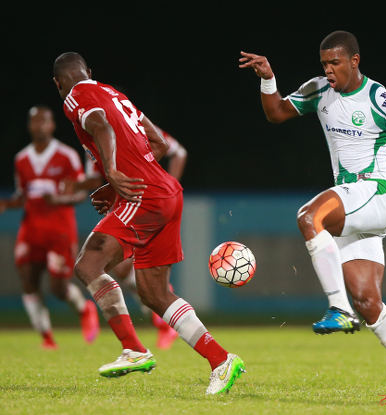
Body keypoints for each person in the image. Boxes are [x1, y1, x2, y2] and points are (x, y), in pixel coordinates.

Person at [239, 30, 386, 385]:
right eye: (324, 63)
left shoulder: (380, 99)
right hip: (355, 204)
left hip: (377, 192)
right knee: (368, 302)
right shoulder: (319, 89)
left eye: (335, 63)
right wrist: (268, 80)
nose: (329, 70)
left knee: (308, 217)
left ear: (354, 61)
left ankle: (338, 309)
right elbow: (276, 113)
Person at [52, 52, 244, 394]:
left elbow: (100, 124)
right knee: (155, 294)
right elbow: (158, 143)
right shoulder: (116, 94)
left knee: (88, 264)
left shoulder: (76, 96)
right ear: (91, 72)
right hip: (167, 192)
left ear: (58, 83)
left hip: (146, 197)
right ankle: (221, 359)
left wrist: (112, 173)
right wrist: (118, 183)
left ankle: (134, 349)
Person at [70, 128, 188, 349]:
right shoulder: (94, 138)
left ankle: (141, 340)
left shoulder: (135, 128)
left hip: (148, 201)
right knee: (129, 274)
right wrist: (89, 187)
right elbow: (98, 177)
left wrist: (166, 184)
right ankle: (159, 326)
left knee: (116, 269)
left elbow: (176, 151)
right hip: (125, 203)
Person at [0, 106, 100, 349]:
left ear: (52, 125)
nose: (39, 126)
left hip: (59, 229)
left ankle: (84, 308)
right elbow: (22, 196)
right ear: (30, 126)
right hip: (31, 228)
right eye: (35, 122)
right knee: (28, 281)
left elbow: (79, 194)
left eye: (43, 121)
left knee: (58, 287)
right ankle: (46, 337)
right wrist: (6, 204)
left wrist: (58, 200)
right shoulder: (22, 159)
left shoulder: (66, 156)